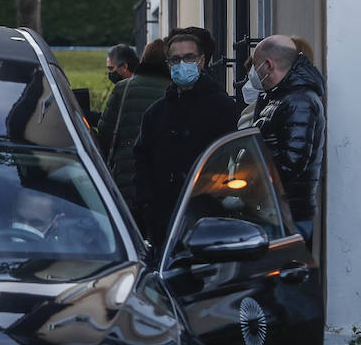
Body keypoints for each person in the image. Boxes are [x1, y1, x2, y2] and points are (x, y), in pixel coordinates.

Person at [129, 30, 239, 246]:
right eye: (175, 59)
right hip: (163, 218)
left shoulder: (222, 107)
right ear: (168, 64)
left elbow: (234, 158)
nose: (182, 64)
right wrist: (147, 204)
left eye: (189, 57)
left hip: (207, 217)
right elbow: (142, 160)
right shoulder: (156, 112)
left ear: (201, 60)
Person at [249, 35, 326, 244]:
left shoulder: (298, 101)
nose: (252, 74)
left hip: (287, 213)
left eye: (255, 66)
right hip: (273, 210)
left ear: (268, 65)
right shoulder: (276, 96)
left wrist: (252, 174)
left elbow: (292, 162)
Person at [97, 38, 170, 207]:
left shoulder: (123, 88)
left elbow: (105, 130)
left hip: (125, 172)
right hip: (161, 172)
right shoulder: (172, 90)